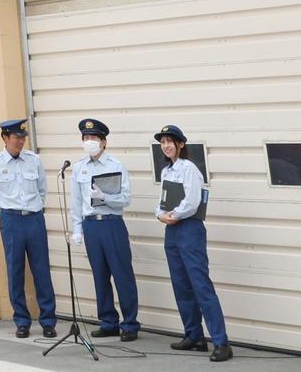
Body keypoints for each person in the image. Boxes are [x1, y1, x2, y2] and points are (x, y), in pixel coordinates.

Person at [155, 124, 231, 362]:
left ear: (181, 144)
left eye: (171, 141)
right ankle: (194, 335)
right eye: (163, 142)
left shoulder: (189, 169)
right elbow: (162, 201)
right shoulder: (167, 171)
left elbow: (192, 201)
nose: (166, 145)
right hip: (172, 231)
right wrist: (160, 214)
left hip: (189, 229)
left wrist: (172, 216)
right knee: (181, 285)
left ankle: (221, 342)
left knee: (201, 285)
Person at [0, 118, 57, 339]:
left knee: (42, 270)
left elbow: (42, 190)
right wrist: (11, 214)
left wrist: (32, 210)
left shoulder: (34, 160)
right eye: (16, 137)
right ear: (5, 138)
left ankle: (48, 321)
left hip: (34, 219)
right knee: (15, 271)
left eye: (23, 138)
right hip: (11, 220)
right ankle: (22, 321)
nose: (20, 142)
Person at [69, 118, 139, 342]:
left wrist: (104, 197)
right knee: (100, 275)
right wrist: (77, 229)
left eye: (94, 138)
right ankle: (108, 321)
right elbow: (76, 202)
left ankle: (130, 323)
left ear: (104, 142)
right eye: (86, 138)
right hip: (91, 225)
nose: (89, 141)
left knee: (122, 274)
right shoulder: (79, 168)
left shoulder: (115, 166)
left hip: (111, 223)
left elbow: (125, 199)